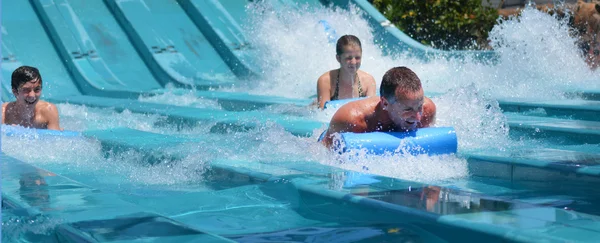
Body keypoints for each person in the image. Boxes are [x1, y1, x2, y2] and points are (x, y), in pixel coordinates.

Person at [321, 66, 436, 148]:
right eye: (408, 109)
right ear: (385, 103)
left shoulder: (428, 110)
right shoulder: (352, 120)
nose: (417, 117)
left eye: (419, 107)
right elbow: (325, 154)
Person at [316, 35, 377, 109]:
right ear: (338, 58)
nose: (354, 62)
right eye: (349, 58)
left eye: (357, 57)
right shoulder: (326, 81)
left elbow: (372, 112)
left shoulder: (368, 81)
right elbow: (322, 114)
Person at [2, 66, 62, 130]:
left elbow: (56, 138)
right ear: (15, 92)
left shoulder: (48, 111)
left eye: (37, 89)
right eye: (26, 90)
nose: (32, 96)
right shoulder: (3, 113)